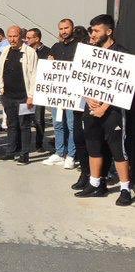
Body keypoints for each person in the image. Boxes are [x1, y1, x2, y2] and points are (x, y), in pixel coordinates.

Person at [75, 14, 132, 206]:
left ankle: (125, 189)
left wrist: (104, 106)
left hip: (113, 112)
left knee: (118, 151)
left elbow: (124, 85)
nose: (92, 34)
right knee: (93, 146)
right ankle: (95, 184)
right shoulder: (89, 52)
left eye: (96, 30)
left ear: (108, 31)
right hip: (91, 109)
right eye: (91, 30)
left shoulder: (122, 53)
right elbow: (80, 79)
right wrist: (88, 98)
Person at [0, 25, 38, 165]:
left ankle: (24, 155)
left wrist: (31, 95)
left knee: (24, 126)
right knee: (11, 125)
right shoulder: (5, 51)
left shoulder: (29, 52)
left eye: (15, 36)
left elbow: (34, 75)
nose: (12, 39)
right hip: (8, 96)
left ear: (21, 37)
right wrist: (1, 89)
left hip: (24, 97)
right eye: (10, 36)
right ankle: (11, 152)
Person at [44, 18, 78, 169]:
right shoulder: (56, 47)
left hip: (72, 94)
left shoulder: (80, 47)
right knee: (58, 124)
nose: (64, 31)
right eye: (61, 29)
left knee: (71, 125)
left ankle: (71, 155)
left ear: (72, 28)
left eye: (66, 28)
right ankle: (59, 153)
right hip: (57, 94)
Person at [70, 25, 91, 190]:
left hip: (92, 105)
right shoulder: (70, 51)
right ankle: (85, 173)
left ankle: (96, 176)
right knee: (78, 139)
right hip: (77, 103)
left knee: (93, 142)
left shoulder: (94, 52)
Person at [25, 27, 51, 153]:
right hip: (26, 89)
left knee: (38, 119)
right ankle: (24, 144)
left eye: (29, 38)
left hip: (40, 90)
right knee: (24, 118)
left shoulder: (48, 52)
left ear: (37, 38)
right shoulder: (25, 51)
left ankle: (39, 144)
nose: (26, 40)